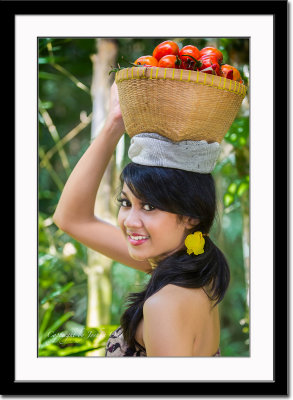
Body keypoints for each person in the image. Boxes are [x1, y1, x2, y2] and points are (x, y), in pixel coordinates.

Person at [53, 82, 230, 357]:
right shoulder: (194, 268)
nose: (129, 221)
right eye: (126, 203)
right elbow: (71, 219)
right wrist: (114, 122)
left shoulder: (166, 304)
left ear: (191, 216)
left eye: (149, 206)